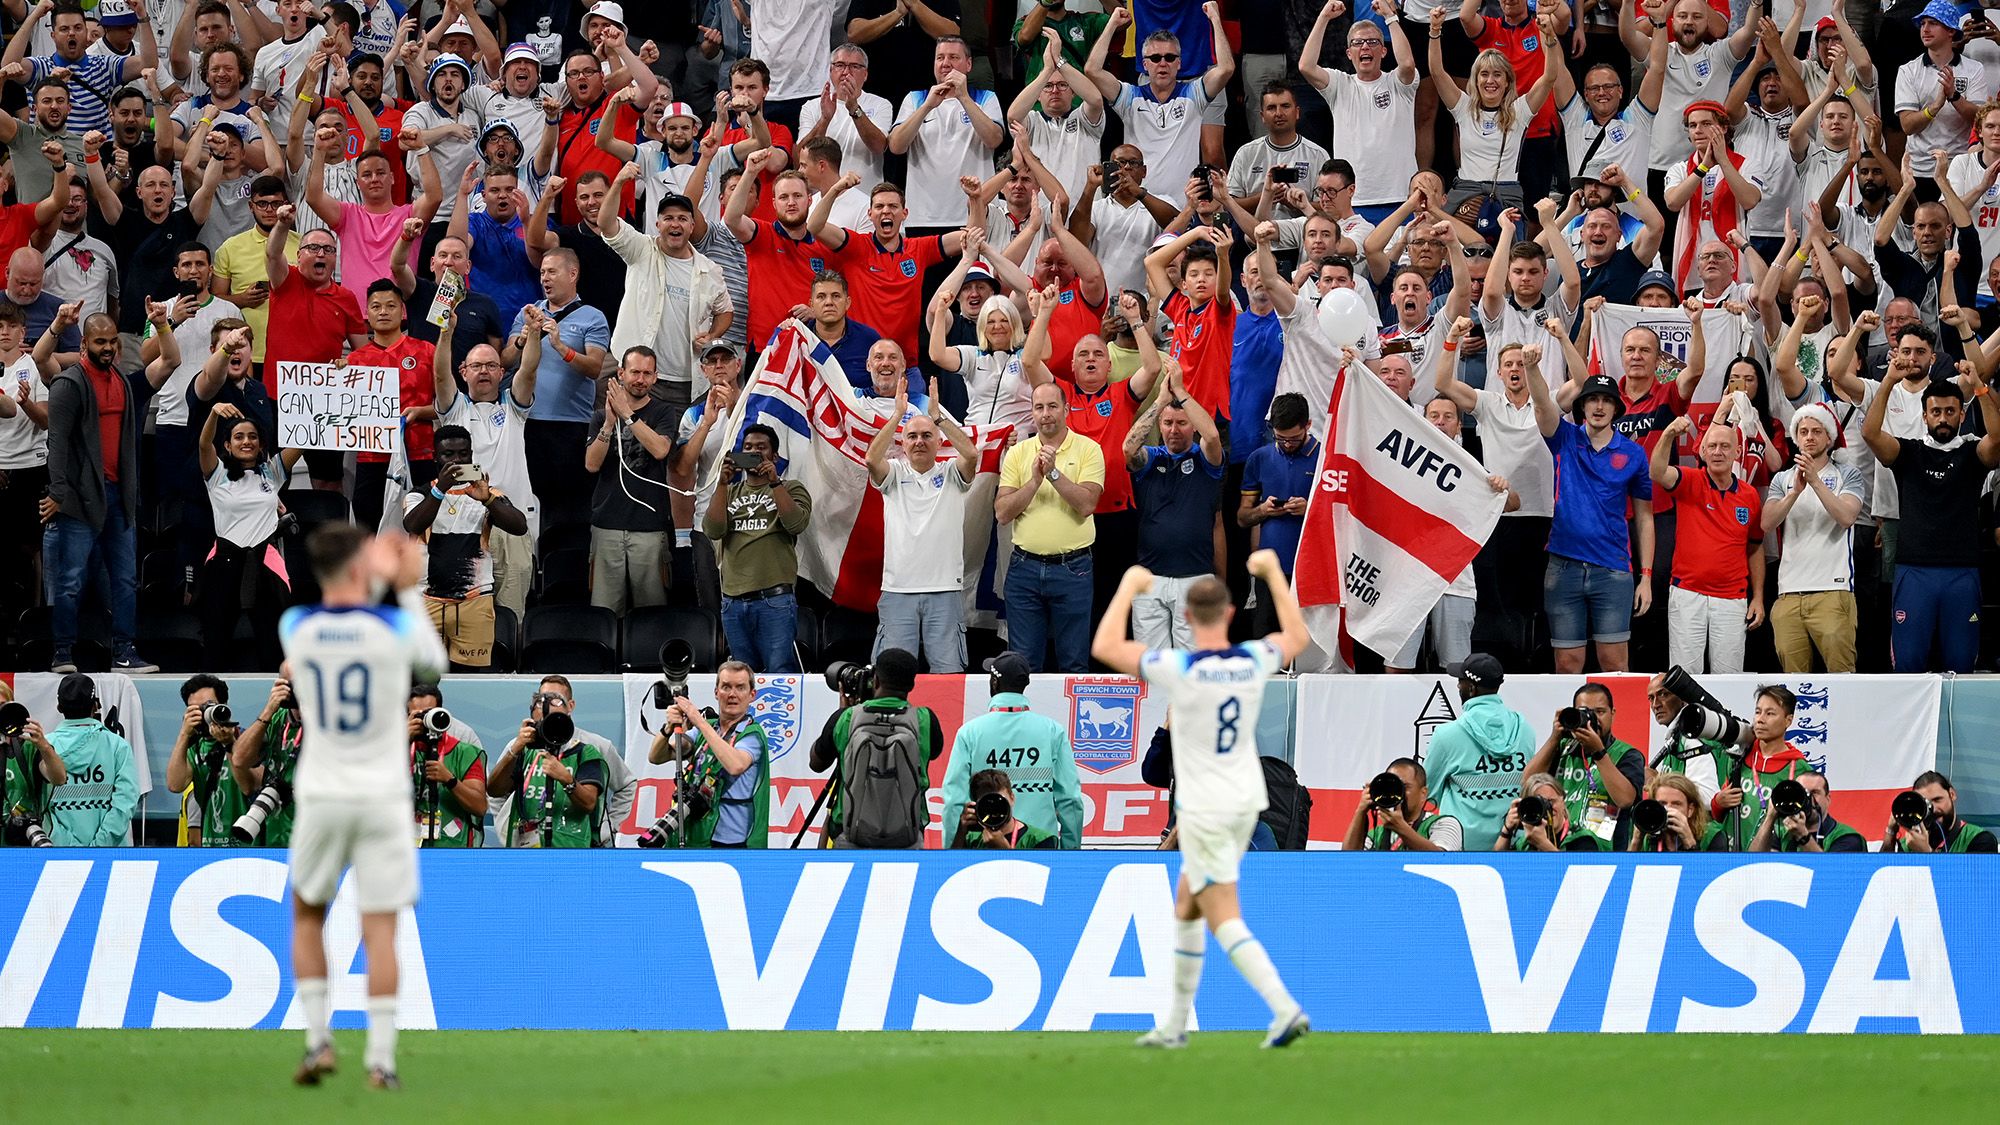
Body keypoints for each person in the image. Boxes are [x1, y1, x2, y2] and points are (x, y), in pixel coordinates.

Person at [1091, 547, 1311, 1050]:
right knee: (1187, 905)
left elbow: (1106, 644)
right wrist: (1275, 574)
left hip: (1207, 805)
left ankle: (1284, 1007)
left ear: (1186, 617)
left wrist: (1130, 585)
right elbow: (1297, 637)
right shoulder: (1252, 659)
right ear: (1232, 614)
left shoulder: (1180, 667)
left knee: (1221, 913)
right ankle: (1174, 1025)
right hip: (1244, 799)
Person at [278, 525, 445, 1088]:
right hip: (382, 795)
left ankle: (318, 1042)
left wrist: (372, 573)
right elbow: (433, 663)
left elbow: (297, 666)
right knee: (381, 926)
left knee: (306, 913)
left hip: (322, 791)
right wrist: (403, 585)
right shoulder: (393, 627)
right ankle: (381, 1060)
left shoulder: (295, 626)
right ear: (360, 569)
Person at [1863, 347, 1998, 673]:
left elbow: (1998, 437)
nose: (1942, 418)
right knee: (1908, 665)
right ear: (1925, 416)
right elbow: (1869, 433)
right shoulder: (1908, 452)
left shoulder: (1972, 452)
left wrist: (1979, 385)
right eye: (1936, 412)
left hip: (1962, 572)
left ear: (1961, 415)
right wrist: (1888, 382)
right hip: (1914, 572)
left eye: (1950, 412)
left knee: (1962, 664)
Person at [38, 305, 157, 674]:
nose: (107, 347)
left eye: (112, 341)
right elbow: (56, 441)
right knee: (70, 580)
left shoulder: (122, 381)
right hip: (77, 497)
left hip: (119, 495)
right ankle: (62, 653)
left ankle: (124, 651)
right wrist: (58, 492)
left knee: (125, 579)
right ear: (85, 343)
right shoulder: (69, 383)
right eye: (99, 341)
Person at [1534, 367, 1654, 674]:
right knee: (1567, 665)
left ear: (1616, 408)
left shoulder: (1634, 454)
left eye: (1606, 400)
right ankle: (1569, 725)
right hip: (1563, 567)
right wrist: (1533, 368)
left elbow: (1644, 517)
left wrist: (1647, 577)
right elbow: (1541, 406)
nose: (1599, 406)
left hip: (1612, 570)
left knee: (1615, 665)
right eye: (1592, 399)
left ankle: (1618, 724)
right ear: (1582, 406)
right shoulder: (1564, 438)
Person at [866, 375, 979, 672]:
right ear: (902, 444)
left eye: (927, 435)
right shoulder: (893, 473)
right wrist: (898, 416)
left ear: (939, 442)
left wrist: (938, 418)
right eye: (912, 436)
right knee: (891, 677)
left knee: (948, 675)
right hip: (897, 589)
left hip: (945, 589)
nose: (919, 441)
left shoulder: (952, 473)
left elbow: (971, 454)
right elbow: (871, 459)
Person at [598, 169, 732, 407]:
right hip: (638, 376)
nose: (675, 224)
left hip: (687, 381)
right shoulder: (641, 249)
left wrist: (712, 336)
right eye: (668, 218)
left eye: (682, 218)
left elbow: (725, 310)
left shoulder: (710, 270)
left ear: (692, 225)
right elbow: (606, 224)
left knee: (676, 445)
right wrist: (618, 182)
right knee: (629, 442)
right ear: (657, 224)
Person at [998, 380, 1105, 672]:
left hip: (1073, 569)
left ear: (1066, 409)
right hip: (1024, 569)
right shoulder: (1019, 453)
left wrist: (1053, 473)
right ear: (1032, 413)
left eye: (1052, 406)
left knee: (1073, 663)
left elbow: (1086, 505)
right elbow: (1003, 513)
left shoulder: (1089, 449)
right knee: (1022, 665)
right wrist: (1034, 480)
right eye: (1039, 407)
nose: (1046, 414)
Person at [403, 423, 528, 668]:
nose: (457, 461)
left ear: (471, 455)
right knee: (424, 679)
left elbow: (519, 526)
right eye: (448, 455)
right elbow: (413, 524)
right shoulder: (419, 494)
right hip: (426, 599)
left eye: (463, 454)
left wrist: (489, 500)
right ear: (435, 457)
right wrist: (441, 489)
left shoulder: (486, 493)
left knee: (472, 677)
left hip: (474, 600)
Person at [1650, 415, 1765, 673]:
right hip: (1688, 592)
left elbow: (1755, 546)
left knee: (1729, 677)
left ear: (1737, 452)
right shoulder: (1690, 480)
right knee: (1684, 677)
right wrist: (1668, 434)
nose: (1717, 452)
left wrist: (1758, 597)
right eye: (1711, 446)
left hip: (1732, 597)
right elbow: (1656, 472)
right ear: (1702, 451)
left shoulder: (1750, 496)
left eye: (1725, 446)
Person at [1124, 367, 1224, 649]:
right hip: (1150, 578)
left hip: (1194, 578)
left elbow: (1213, 438)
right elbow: (1129, 449)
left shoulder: (1206, 460)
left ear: (1192, 426)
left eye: (1181, 423)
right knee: (1152, 668)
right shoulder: (1151, 459)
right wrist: (1159, 401)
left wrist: (1181, 392)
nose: (1173, 430)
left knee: (1192, 668)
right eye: (1167, 423)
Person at [511, 247, 610, 532]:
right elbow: (505, 360)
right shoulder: (528, 313)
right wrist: (523, 339)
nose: (545, 278)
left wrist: (560, 346)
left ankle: (568, 571)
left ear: (573, 274)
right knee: (529, 501)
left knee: (569, 509)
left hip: (572, 426)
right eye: (542, 272)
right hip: (528, 423)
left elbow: (594, 368)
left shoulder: (592, 317)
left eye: (552, 271)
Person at [941, 652, 1084, 848]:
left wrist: (950, 853)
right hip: (1041, 845)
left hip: (984, 845)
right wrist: (1071, 853)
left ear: (994, 683)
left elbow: (954, 802)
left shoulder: (970, 733)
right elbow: (1070, 799)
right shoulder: (1052, 731)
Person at [1762, 403, 1865, 672]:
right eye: (1803, 431)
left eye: (1817, 431)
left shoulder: (1847, 474)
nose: (1809, 437)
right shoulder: (1782, 479)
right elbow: (1766, 523)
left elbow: (1846, 517)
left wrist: (1816, 482)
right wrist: (1794, 492)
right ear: (1796, 437)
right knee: (1793, 686)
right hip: (1788, 594)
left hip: (1833, 591)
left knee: (1841, 676)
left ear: (1829, 438)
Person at [808, 648, 947, 848]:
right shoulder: (925, 719)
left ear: (876, 680)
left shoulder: (847, 717)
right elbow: (935, 752)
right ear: (912, 684)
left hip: (850, 834)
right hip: (908, 835)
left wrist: (841, 714)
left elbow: (816, 763)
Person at [704, 422, 811, 673]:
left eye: (761, 447)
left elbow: (796, 523)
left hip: (774, 600)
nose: (754, 451)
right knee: (741, 676)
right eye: (748, 447)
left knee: (780, 672)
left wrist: (775, 483)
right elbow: (713, 530)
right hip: (732, 602)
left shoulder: (792, 488)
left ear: (774, 455)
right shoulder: (729, 492)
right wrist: (721, 484)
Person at [197, 401, 293, 669]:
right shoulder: (218, 474)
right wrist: (214, 414)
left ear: (261, 443)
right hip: (225, 562)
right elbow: (204, 445)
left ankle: (277, 705)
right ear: (227, 445)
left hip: (264, 563)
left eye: (253, 436)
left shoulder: (271, 473)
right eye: (238, 437)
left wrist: (327, 388)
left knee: (272, 641)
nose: (246, 441)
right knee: (216, 638)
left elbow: (302, 440)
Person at [585, 346, 679, 616]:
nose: (640, 379)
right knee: (605, 611)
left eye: (647, 373)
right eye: (635, 372)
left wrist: (628, 415)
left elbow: (661, 450)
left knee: (651, 612)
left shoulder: (663, 412)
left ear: (655, 377)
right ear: (621, 373)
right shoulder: (600, 416)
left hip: (649, 527)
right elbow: (591, 464)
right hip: (607, 525)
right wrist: (608, 424)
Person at [647, 660, 771, 848]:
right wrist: (668, 728)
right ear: (716, 692)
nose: (732, 694)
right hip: (697, 833)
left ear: (752, 695)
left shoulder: (752, 734)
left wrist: (698, 720)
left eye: (740, 688)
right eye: (726, 687)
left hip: (732, 841)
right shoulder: (705, 730)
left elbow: (735, 765)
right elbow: (657, 757)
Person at [888, 36, 1004, 232]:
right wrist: (927, 107)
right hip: (923, 217)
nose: (945, 63)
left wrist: (964, 97)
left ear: (968, 64)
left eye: (953, 57)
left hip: (973, 215)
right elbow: (896, 146)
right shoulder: (915, 98)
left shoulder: (986, 98)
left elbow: (994, 139)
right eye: (940, 57)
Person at [1422, 654, 1535, 851]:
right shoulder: (1525, 729)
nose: (1458, 687)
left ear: (1471, 689)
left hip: (1462, 848)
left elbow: (1426, 793)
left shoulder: (1447, 735)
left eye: (1460, 682)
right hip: (1514, 844)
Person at [1522, 683, 1644, 850]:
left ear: (1612, 714)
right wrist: (1554, 738)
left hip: (1607, 853)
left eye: (1600, 712)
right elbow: (1527, 783)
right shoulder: (1563, 747)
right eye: (1584, 712)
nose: (1593, 719)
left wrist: (1599, 753)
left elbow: (1625, 800)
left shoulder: (1627, 754)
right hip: (1560, 846)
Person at [487, 684, 609, 849]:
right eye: (542, 723)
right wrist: (515, 749)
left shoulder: (585, 752)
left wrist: (566, 778)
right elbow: (494, 791)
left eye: (554, 721)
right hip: (524, 851)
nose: (548, 728)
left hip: (571, 849)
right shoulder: (523, 750)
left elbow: (589, 804)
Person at [42, 673, 139, 846]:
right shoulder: (117, 745)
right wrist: (100, 847)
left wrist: (67, 845)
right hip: (111, 857)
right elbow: (125, 803)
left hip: (58, 856)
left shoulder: (44, 748)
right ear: (96, 705)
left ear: (59, 707)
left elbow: (40, 809)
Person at [164, 674, 243, 847]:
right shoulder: (194, 748)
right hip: (210, 845)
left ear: (224, 706)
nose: (204, 713)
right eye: (195, 709)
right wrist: (184, 734)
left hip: (248, 846)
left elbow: (250, 786)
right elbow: (175, 785)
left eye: (208, 706)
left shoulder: (245, 739)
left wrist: (229, 743)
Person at [405, 685, 486, 848]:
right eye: (417, 715)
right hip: (403, 851)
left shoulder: (466, 753)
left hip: (453, 850)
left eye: (428, 713)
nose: (423, 720)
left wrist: (450, 780)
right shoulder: (392, 752)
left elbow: (480, 807)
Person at [1341, 756, 1464, 852]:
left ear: (1423, 793)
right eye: (1392, 787)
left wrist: (1401, 829)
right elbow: (1348, 863)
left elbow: (1443, 862)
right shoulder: (1377, 833)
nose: (1399, 793)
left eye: (1404, 787)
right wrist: (1361, 811)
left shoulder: (1445, 824)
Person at [1749, 769, 1866, 853]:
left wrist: (1803, 837)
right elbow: (1754, 866)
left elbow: (1832, 876)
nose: (1808, 798)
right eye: (1802, 792)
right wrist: (1770, 817)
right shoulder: (1782, 833)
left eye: (1814, 792)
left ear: (1828, 798)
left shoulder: (1847, 838)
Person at [1888, 770, 1999, 853]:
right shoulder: (1909, 844)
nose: (1933, 809)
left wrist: (1926, 854)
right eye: (1925, 804)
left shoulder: (1980, 840)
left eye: (1937, 800)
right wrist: (1890, 832)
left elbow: (1971, 883)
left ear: (1952, 794)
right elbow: (1881, 878)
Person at [1496, 772, 1609, 852]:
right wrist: (1506, 831)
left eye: (1550, 802)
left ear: (1563, 801)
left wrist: (1543, 844)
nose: (1547, 809)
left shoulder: (1582, 839)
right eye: (1539, 804)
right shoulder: (1525, 843)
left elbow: (1579, 880)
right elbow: (1497, 868)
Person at [950, 769, 1059, 849]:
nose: (995, 809)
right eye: (988, 805)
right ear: (976, 807)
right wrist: (961, 832)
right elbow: (950, 872)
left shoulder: (1041, 840)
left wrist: (1004, 850)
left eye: (1000, 803)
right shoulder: (971, 839)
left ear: (1012, 798)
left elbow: (1041, 879)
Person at [1628, 774, 1727, 852]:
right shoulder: (1650, 835)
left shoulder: (1712, 836)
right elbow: (1625, 874)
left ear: (1690, 810)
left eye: (1676, 804)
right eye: (1662, 803)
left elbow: (1707, 875)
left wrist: (1689, 841)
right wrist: (1636, 842)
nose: (1668, 809)